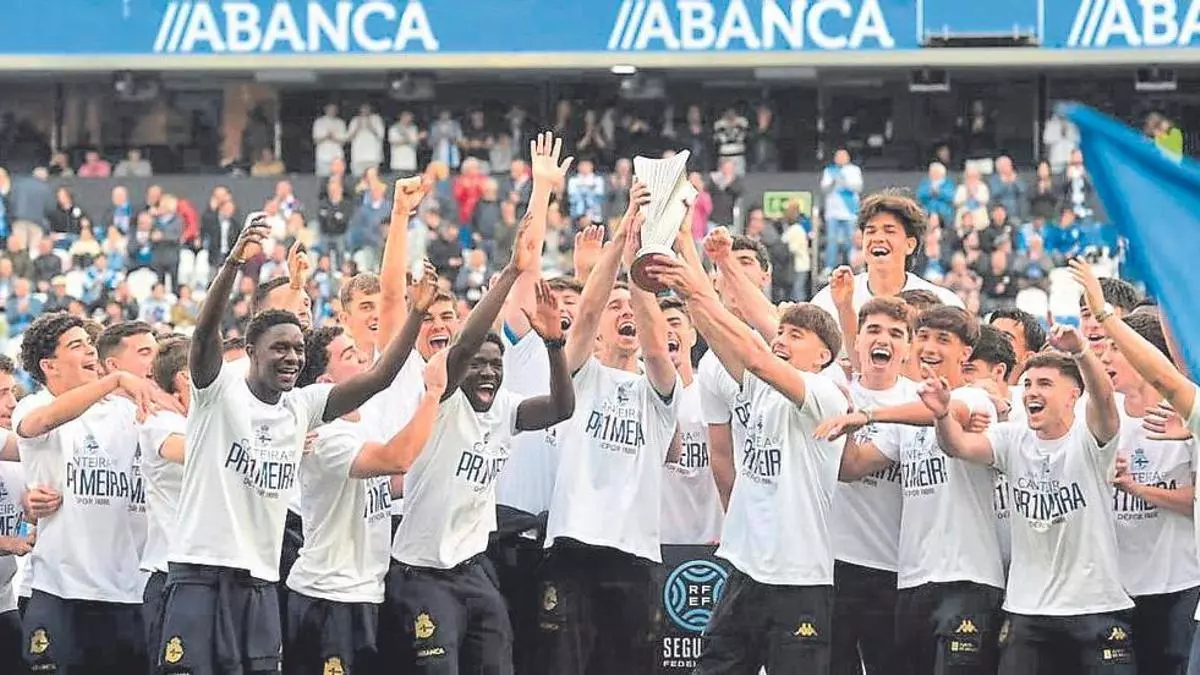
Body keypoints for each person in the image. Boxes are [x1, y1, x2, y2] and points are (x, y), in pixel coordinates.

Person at [155, 212, 436, 674]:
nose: (291, 356)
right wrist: (231, 264)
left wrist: (417, 314)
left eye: (297, 349)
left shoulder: (303, 405)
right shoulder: (217, 391)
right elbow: (203, 335)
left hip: (262, 582)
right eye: (279, 348)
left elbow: (381, 376)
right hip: (200, 573)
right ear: (251, 352)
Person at [645, 244, 849, 674]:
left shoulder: (825, 395)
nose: (781, 340)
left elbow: (753, 353)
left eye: (796, 336)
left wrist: (698, 293)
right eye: (781, 333)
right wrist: (688, 261)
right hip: (744, 571)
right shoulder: (757, 389)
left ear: (823, 356)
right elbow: (721, 339)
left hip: (799, 580)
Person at [389, 270, 574, 675]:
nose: (488, 371)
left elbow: (562, 408)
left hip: (472, 571)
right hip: (423, 574)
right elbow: (466, 343)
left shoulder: (505, 408)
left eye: (496, 364)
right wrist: (510, 274)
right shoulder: (444, 401)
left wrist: (555, 344)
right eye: (478, 365)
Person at [925, 322, 1131, 675]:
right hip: (1027, 612)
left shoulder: (1090, 439)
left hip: (1094, 607)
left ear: (1073, 396)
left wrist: (1081, 350)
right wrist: (943, 415)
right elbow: (957, 446)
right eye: (1029, 384)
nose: (1032, 392)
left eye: (1045, 384)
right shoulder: (1011, 439)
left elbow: (1105, 398)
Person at [535, 187, 681, 675]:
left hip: (635, 554)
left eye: (631, 309)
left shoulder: (660, 393)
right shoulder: (580, 374)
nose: (623, 313)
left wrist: (639, 275)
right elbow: (586, 315)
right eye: (615, 307)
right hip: (573, 546)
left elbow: (659, 351)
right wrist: (622, 239)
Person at [823, 306, 1004, 675]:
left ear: (965, 353)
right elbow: (852, 468)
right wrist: (843, 410)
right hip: (912, 582)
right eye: (923, 337)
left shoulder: (976, 399)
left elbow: (950, 412)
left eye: (943, 340)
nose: (930, 347)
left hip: (966, 580)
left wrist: (871, 416)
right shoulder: (902, 419)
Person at [283, 266, 443, 675]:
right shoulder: (327, 437)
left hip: (365, 592)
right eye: (350, 357)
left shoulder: (363, 423)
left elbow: (392, 482)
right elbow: (396, 460)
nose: (364, 361)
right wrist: (434, 394)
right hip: (327, 598)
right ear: (324, 381)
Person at [11, 312, 158, 674]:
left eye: (89, 342)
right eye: (77, 345)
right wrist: (113, 382)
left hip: (124, 590)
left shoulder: (127, 412)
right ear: (49, 365)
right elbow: (38, 425)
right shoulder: (34, 405)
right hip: (57, 588)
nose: (89, 350)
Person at [829, 297, 917, 675]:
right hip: (830, 564)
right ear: (858, 339)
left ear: (908, 347)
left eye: (896, 333)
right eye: (874, 330)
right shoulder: (830, 388)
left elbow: (851, 467)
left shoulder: (916, 401)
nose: (884, 339)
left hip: (893, 568)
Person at [810, 190, 963, 354]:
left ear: (910, 244)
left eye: (889, 230)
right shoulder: (829, 300)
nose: (878, 238)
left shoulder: (943, 303)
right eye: (871, 231)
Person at [658, 296, 723, 546]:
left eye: (674, 322)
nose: (667, 331)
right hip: (657, 544)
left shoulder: (711, 395)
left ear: (693, 335)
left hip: (712, 542)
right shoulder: (639, 398)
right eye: (659, 325)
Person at [0, 354, 30, 675]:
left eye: (12, 392)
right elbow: (31, 443)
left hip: (5, 602)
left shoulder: (14, 461)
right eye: (1, 394)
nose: (11, 403)